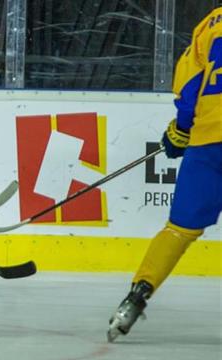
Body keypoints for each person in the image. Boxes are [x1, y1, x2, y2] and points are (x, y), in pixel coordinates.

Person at [106, 6, 222, 343]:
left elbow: (190, 84)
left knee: (178, 230)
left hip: (207, 142)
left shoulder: (211, 23)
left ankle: (135, 298)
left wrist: (182, 129)